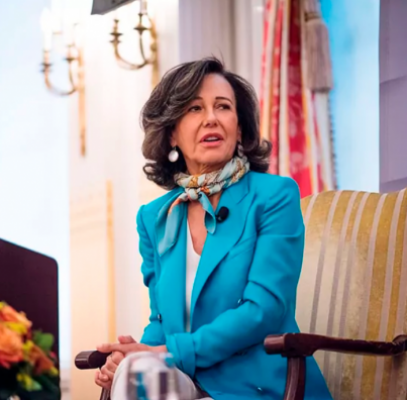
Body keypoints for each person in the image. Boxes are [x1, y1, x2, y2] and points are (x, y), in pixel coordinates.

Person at [94, 57, 332, 400]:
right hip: (185, 384)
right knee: (135, 371)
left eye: (223, 107)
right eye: (194, 108)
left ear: (239, 128)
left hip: (259, 386)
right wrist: (132, 353)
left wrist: (168, 353)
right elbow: (162, 321)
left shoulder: (274, 196)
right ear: (172, 133)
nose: (211, 118)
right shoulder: (153, 217)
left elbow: (263, 311)